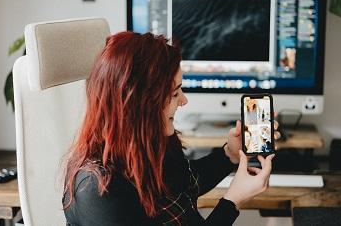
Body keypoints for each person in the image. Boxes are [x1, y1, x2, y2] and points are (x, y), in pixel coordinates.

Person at [62, 31, 276, 226]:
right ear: (142, 103)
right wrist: (232, 201)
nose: (184, 101)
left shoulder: (149, 141)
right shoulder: (99, 189)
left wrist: (229, 154)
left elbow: (185, 184)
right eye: (174, 94)